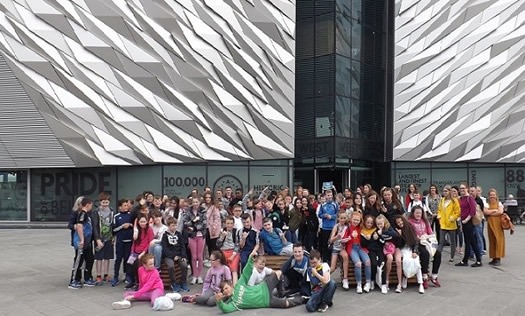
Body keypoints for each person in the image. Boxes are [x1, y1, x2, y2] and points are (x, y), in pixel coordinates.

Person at [216, 254, 304, 313]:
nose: (226, 291)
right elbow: (225, 309)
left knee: (278, 273)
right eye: (224, 291)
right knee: (286, 304)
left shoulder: (239, 285)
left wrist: (251, 260)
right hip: (266, 301)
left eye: (226, 288)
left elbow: (246, 273)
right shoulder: (234, 304)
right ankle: (304, 298)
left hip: (264, 287)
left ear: (231, 286)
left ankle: (281, 293)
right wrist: (219, 301)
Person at [407, 206, 442, 288]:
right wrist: (418, 238)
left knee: (438, 254)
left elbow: (431, 233)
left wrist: (428, 236)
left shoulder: (425, 221)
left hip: (427, 242)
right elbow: (410, 235)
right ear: (413, 213)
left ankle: (434, 275)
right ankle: (424, 276)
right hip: (417, 243)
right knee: (425, 254)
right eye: (417, 213)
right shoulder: (410, 222)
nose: (418, 214)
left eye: (420, 213)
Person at [393, 216, 425, 294]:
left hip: (411, 249)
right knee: (407, 260)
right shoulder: (396, 231)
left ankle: (421, 283)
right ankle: (406, 276)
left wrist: (415, 251)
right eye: (398, 222)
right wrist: (400, 236)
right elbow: (399, 245)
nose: (400, 223)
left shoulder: (409, 227)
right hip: (403, 249)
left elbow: (415, 241)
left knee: (416, 261)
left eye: (401, 221)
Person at [69, 197, 96, 289]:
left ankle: (88, 278)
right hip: (82, 242)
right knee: (79, 260)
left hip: (88, 242)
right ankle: (74, 280)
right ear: (87, 205)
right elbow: (79, 226)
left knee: (90, 258)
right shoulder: (82, 214)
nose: (91, 207)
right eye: (91, 205)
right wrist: (82, 239)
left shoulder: (87, 214)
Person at [455, 183, 482, 268]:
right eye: (460, 188)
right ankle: (477, 260)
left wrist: (466, 219)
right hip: (464, 222)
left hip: (469, 223)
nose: (462, 190)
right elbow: (462, 210)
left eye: (463, 188)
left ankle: (466, 260)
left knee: (469, 242)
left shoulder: (469, 198)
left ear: (467, 188)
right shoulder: (462, 198)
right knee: (472, 241)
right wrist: (460, 218)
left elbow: (473, 211)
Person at [343, 212, 371, 293]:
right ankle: (359, 285)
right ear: (351, 219)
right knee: (358, 263)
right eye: (354, 220)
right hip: (352, 248)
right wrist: (351, 236)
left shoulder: (361, 227)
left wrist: (367, 237)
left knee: (368, 262)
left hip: (361, 247)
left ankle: (368, 283)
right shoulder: (348, 227)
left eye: (357, 220)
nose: (356, 221)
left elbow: (367, 234)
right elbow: (343, 240)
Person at [92, 191, 115, 285]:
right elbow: (95, 226)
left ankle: (106, 274)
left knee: (107, 257)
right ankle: (98, 275)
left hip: (109, 237)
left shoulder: (112, 211)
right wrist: (97, 239)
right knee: (99, 257)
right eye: (103, 202)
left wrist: (114, 236)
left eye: (106, 202)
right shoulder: (96, 212)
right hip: (100, 238)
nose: (105, 204)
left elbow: (113, 224)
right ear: (100, 202)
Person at [161, 216, 189, 292]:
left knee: (184, 265)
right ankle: (174, 283)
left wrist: (183, 256)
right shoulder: (165, 235)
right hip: (169, 256)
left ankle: (183, 282)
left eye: (175, 225)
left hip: (178, 254)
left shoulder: (179, 234)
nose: (174, 227)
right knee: (170, 266)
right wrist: (173, 256)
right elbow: (165, 248)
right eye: (172, 225)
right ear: (168, 226)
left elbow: (182, 246)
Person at [126, 214, 154, 289]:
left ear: (147, 222)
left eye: (144, 221)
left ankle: (139, 283)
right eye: (141, 222)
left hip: (144, 252)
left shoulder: (149, 230)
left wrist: (143, 253)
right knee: (129, 264)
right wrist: (132, 252)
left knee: (136, 265)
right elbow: (134, 243)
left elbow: (150, 243)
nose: (142, 223)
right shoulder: (137, 230)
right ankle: (132, 281)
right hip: (135, 252)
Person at [184, 197, 207, 285]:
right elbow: (185, 223)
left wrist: (193, 227)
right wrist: (194, 221)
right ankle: (195, 275)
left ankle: (200, 275)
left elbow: (204, 223)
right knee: (194, 257)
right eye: (194, 202)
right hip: (192, 236)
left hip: (201, 235)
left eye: (197, 202)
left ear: (199, 202)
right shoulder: (188, 211)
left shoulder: (203, 211)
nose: (195, 203)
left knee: (200, 257)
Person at [360, 214, 385, 292]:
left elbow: (382, 242)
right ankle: (372, 280)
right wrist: (366, 239)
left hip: (379, 250)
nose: (369, 225)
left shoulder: (377, 230)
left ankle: (383, 284)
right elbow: (363, 244)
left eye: (371, 223)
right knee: (373, 263)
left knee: (382, 263)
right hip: (370, 250)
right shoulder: (362, 231)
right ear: (365, 222)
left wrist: (378, 236)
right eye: (368, 222)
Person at [112, 199, 133, 287]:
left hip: (129, 241)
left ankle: (127, 275)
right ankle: (116, 277)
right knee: (118, 259)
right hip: (120, 241)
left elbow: (135, 225)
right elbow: (113, 229)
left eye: (127, 205)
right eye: (124, 205)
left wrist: (130, 225)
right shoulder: (116, 216)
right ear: (120, 207)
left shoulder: (131, 215)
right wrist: (121, 226)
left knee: (128, 259)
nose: (127, 207)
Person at [437, 185, 460, 263]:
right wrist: (439, 215)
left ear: (450, 192)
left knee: (452, 241)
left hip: (451, 224)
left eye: (446, 191)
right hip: (443, 224)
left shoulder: (454, 201)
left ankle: (452, 257)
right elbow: (439, 209)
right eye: (444, 191)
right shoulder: (442, 200)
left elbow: (458, 212)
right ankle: (438, 257)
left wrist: (453, 217)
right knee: (441, 241)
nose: (444, 192)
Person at [378, 214, 401, 293]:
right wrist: (379, 235)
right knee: (390, 258)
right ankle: (386, 280)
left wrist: (384, 231)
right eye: (378, 224)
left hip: (393, 247)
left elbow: (395, 234)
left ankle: (399, 283)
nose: (380, 225)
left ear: (384, 222)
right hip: (385, 249)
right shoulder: (377, 230)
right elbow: (379, 241)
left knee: (397, 260)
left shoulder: (389, 228)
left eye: (381, 223)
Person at [328, 211, 350, 290]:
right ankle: (322, 277)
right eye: (341, 218)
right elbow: (331, 240)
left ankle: (345, 278)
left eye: (344, 218)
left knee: (345, 256)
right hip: (335, 248)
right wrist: (337, 236)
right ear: (338, 218)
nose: (343, 220)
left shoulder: (347, 227)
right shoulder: (336, 227)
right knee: (333, 267)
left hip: (342, 248)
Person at [216, 216, 241, 284]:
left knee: (234, 268)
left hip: (233, 252)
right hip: (224, 251)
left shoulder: (236, 232)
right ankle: (225, 284)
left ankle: (235, 285)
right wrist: (222, 237)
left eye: (231, 223)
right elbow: (217, 245)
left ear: (233, 224)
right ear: (225, 224)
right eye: (228, 223)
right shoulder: (222, 231)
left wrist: (233, 255)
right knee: (222, 265)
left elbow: (237, 245)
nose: (229, 225)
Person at [484, 188, 505, 266]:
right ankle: (493, 257)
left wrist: (490, 213)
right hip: (490, 224)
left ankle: (498, 257)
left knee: (498, 240)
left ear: (496, 196)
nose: (492, 196)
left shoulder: (499, 203)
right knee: (492, 240)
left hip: (498, 224)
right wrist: (494, 211)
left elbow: (500, 211)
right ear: (488, 196)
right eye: (491, 195)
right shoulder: (487, 204)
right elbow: (485, 212)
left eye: (493, 195)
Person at [317, 190, 339, 262]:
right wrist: (324, 216)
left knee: (332, 244)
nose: (329, 197)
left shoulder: (335, 204)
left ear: (332, 196)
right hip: (325, 227)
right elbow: (319, 215)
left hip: (333, 228)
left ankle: (332, 259)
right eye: (328, 195)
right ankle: (325, 259)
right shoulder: (323, 205)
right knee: (325, 243)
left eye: (330, 195)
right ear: (325, 196)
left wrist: (331, 217)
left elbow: (338, 215)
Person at [205, 193, 221, 261]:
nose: (208, 199)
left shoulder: (215, 207)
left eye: (209, 197)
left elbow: (217, 218)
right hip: (206, 228)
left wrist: (214, 229)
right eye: (206, 197)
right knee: (208, 245)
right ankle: (211, 259)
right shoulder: (203, 206)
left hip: (213, 229)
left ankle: (216, 260)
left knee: (214, 245)